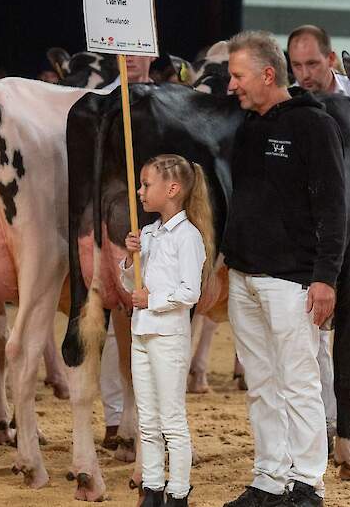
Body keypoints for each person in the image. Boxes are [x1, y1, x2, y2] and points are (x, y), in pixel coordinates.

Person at [221, 30, 344, 507]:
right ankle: (269, 478)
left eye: (238, 75)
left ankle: (308, 482)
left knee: (298, 382)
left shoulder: (315, 126)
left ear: (268, 75)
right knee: (261, 383)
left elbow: (335, 208)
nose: (232, 85)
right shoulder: (248, 126)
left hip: (293, 279)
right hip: (244, 276)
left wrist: (325, 277)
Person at [287, 24, 350, 459]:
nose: (305, 73)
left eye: (312, 63)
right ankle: (330, 420)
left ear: (332, 60)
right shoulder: (292, 106)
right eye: (296, 65)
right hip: (313, 233)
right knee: (317, 327)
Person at [121, 154, 211, 507]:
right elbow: (130, 282)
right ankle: (153, 488)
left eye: (146, 185)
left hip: (168, 336)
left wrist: (152, 299)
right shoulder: (148, 233)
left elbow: (190, 292)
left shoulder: (188, 237)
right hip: (142, 332)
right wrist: (130, 261)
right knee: (148, 419)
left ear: (172, 189)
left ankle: (178, 492)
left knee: (172, 420)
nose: (140, 192)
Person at [100, 54, 157, 449]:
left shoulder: (167, 103)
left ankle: (141, 419)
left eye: (137, 52)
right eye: (123, 53)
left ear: (151, 54)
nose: (130, 60)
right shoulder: (101, 102)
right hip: (113, 224)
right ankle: (117, 416)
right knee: (115, 323)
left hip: (158, 227)